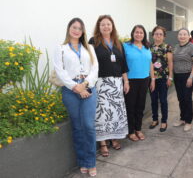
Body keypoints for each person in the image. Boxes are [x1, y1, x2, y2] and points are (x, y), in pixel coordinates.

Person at [53, 18, 98, 176]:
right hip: (70, 91)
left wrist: (84, 85)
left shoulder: (89, 48)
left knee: (89, 125)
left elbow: (95, 69)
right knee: (78, 127)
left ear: (83, 31)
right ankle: (83, 161)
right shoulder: (60, 48)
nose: (76, 30)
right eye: (74, 27)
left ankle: (91, 162)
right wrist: (75, 87)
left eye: (80, 28)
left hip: (88, 87)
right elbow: (60, 71)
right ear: (69, 29)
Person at [88, 15, 129, 157]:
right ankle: (103, 143)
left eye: (108, 24)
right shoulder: (93, 42)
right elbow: (89, 64)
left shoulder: (118, 43)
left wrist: (126, 81)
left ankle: (114, 137)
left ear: (113, 26)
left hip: (117, 83)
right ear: (99, 27)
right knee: (102, 114)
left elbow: (123, 64)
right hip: (101, 84)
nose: (106, 27)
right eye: (103, 24)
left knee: (116, 113)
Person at [123, 25, 155, 141]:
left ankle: (138, 129)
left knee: (140, 106)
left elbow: (150, 63)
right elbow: (123, 65)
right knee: (130, 107)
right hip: (131, 81)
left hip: (145, 80)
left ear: (144, 34)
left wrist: (153, 79)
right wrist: (125, 81)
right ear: (133, 33)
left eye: (141, 33)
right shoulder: (126, 46)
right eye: (137, 32)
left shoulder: (147, 47)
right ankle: (130, 131)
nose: (139, 34)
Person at [172, 28, 193, 131]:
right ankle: (182, 119)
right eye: (180, 34)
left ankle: (188, 121)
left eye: (184, 34)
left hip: (188, 76)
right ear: (178, 36)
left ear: (188, 36)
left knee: (187, 98)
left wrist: (191, 77)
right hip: (177, 76)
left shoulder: (192, 47)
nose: (182, 36)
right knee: (180, 98)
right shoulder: (176, 47)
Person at [148, 26, 173, 132]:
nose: (158, 36)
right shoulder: (149, 48)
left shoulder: (167, 47)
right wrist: (152, 78)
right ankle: (155, 119)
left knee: (163, 100)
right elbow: (149, 63)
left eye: (160, 34)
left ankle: (164, 121)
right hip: (152, 78)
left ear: (164, 36)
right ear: (153, 35)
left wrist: (170, 77)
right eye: (156, 34)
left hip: (163, 77)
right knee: (153, 100)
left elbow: (170, 62)